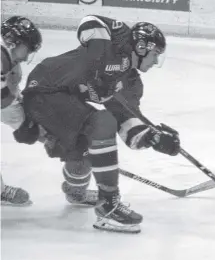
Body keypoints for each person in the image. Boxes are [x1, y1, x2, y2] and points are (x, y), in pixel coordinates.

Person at [16, 15, 180, 233]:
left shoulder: (131, 84)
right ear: (141, 47)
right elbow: (90, 21)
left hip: (64, 105)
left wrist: (154, 138)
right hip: (46, 86)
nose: (156, 61)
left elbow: (129, 126)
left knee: (86, 150)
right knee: (102, 123)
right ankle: (108, 206)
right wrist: (97, 61)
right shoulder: (118, 40)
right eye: (155, 54)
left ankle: (76, 192)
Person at [1, 16, 42, 206]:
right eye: (27, 49)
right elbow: (3, 103)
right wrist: (28, 126)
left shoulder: (9, 60)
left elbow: (9, 96)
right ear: (13, 41)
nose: (26, 57)